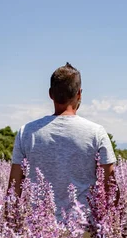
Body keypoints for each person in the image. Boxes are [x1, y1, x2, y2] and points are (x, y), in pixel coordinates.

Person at [7, 62, 118, 223]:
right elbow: (111, 187)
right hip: (84, 228)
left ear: (50, 94)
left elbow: (14, 188)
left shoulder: (26, 132)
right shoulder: (96, 132)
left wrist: (11, 228)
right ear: (79, 93)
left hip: (38, 232)